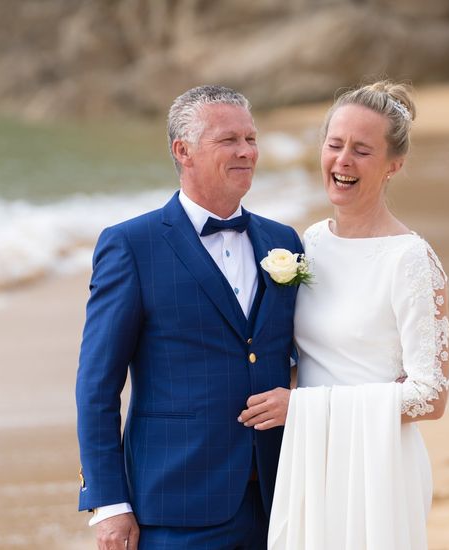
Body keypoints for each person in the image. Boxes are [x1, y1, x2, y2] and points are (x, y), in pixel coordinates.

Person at [76, 85, 304, 550]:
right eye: (229, 141)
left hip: (280, 496)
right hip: (175, 502)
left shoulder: (284, 241)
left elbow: (306, 351)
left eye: (251, 138)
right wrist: (110, 504)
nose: (247, 152)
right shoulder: (131, 246)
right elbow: (97, 384)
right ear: (184, 151)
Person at [261, 81, 449, 549]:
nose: (343, 161)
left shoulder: (409, 259)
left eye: (362, 150)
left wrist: (302, 408)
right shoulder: (310, 242)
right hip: (308, 456)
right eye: (335, 144)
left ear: (393, 165)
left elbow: (431, 395)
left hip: (377, 464)